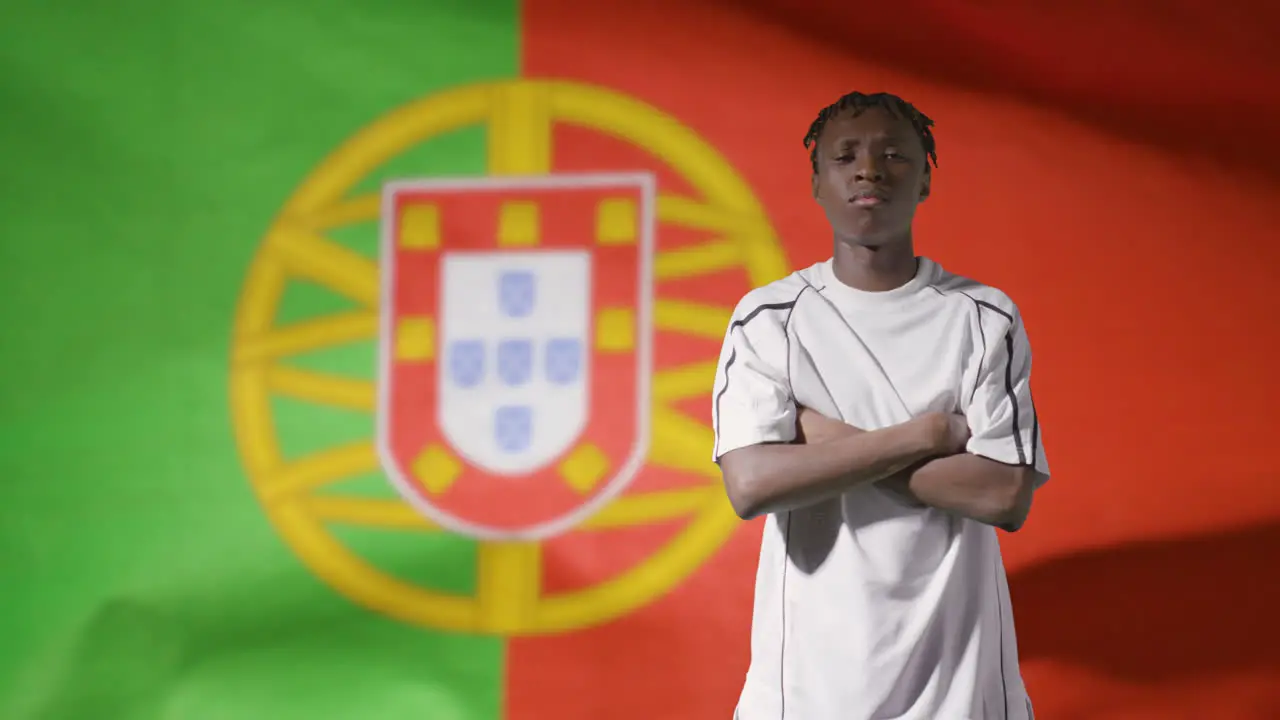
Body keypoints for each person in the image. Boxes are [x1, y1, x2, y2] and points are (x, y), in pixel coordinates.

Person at [711, 91, 1049, 720]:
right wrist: (927, 434)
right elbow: (751, 485)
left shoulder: (983, 317)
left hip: (962, 690)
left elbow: (1002, 496)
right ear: (817, 182)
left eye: (895, 154)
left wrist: (820, 437)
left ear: (925, 180)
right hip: (809, 690)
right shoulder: (770, 319)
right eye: (846, 156)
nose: (869, 169)